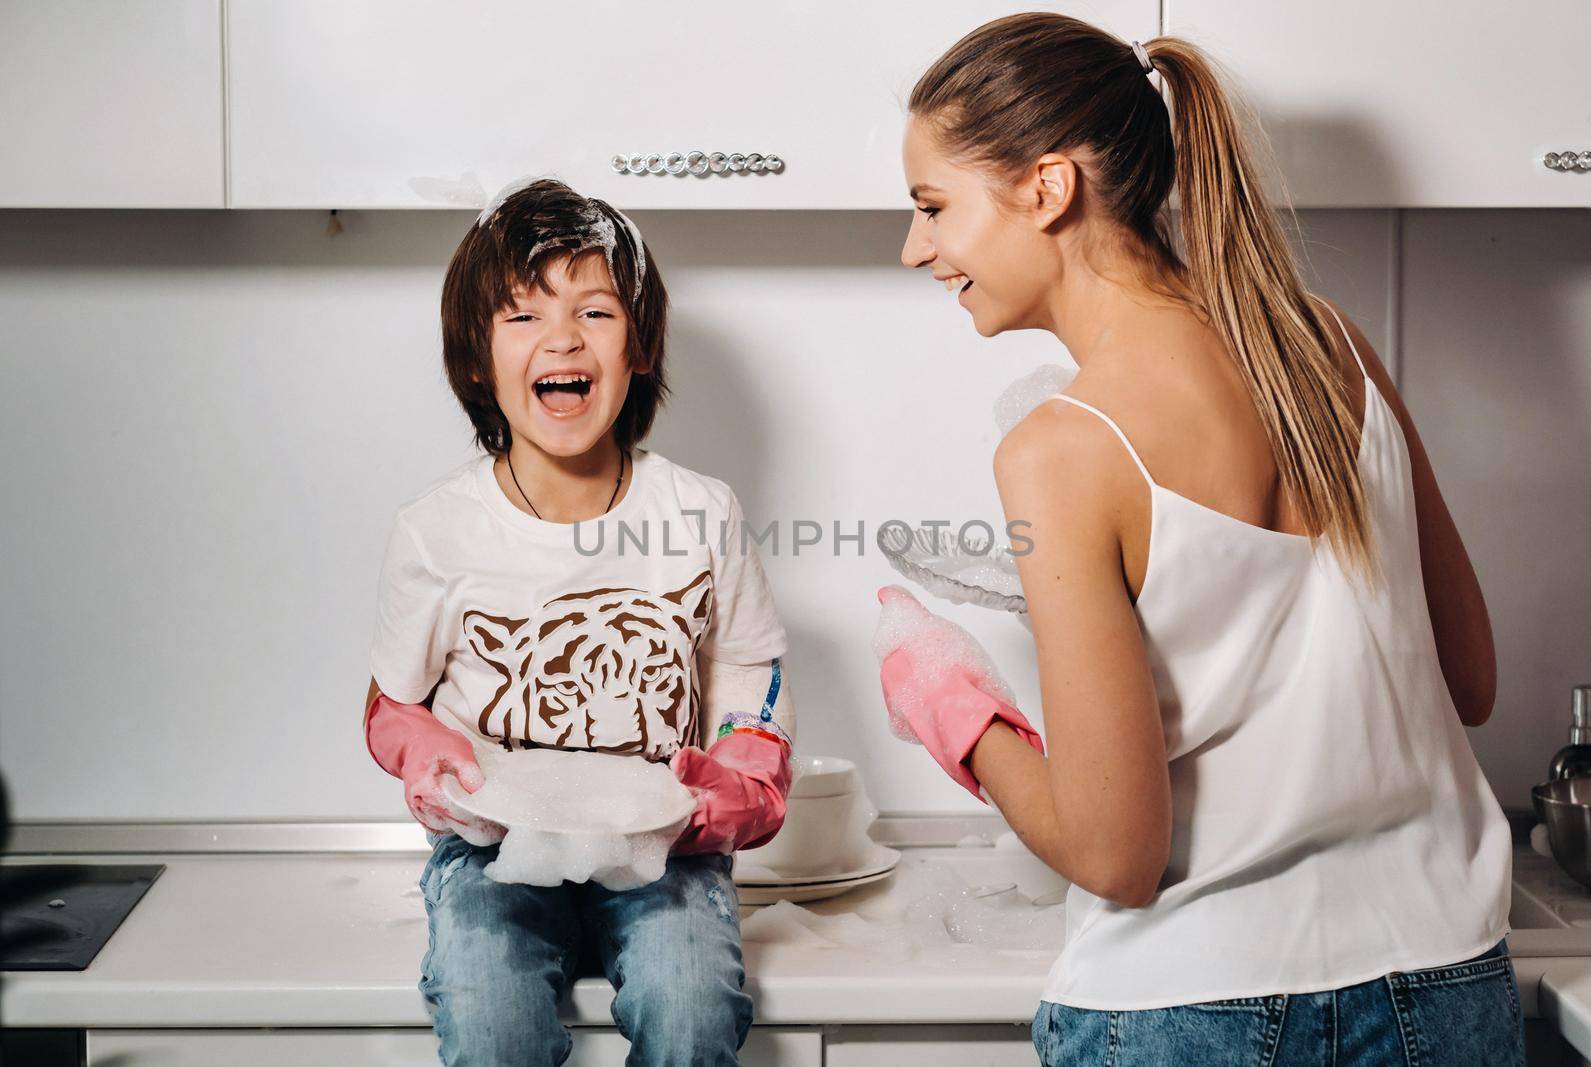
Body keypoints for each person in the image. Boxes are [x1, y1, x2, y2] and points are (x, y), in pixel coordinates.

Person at [875, 14, 1522, 1065]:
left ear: (1046, 187)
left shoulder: (1062, 448)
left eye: (932, 206)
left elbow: (1114, 854)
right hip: (1444, 986)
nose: (916, 247)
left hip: (1190, 1006)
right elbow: (1473, 677)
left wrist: (954, 706)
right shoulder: (1330, 344)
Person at [362, 178, 795, 1065]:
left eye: (594, 311)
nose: (561, 337)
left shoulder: (700, 513)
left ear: (638, 348)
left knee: (693, 1003)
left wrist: (744, 778)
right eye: (522, 316)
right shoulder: (437, 530)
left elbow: (752, 672)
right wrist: (424, 757)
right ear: (478, 360)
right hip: (496, 846)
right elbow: (389, 700)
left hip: (664, 842)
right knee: (488, 1007)